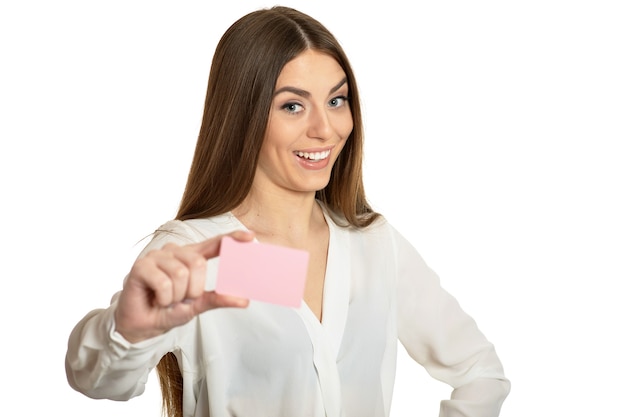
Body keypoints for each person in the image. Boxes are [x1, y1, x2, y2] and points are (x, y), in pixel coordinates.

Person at [65, 5, 510, 417]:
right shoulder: (200, 253)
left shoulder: (372, 245)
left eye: (336, 100)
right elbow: (101, 381)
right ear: (245, 115)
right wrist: (126, 332)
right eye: (292, 106)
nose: (325, 129)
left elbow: (481, 372)